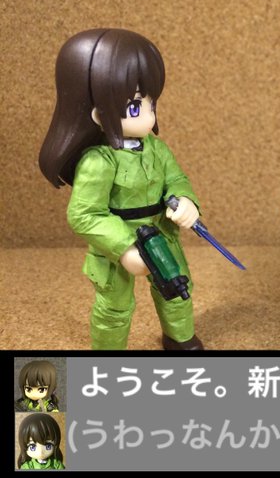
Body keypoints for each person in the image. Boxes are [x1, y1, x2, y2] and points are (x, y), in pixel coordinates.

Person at [39, 29, 204, 350]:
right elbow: (85, 214)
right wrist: (125, 248)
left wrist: (186, 201)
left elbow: (176, 179)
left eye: (152, 103)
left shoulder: (157, 149)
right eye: (136, 106)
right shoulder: (98, 161)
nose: (149, 115)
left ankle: (180, 338)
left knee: (177, 291)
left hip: (161, 233)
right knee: (115, 306)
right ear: (97, 112)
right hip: (116, 242)